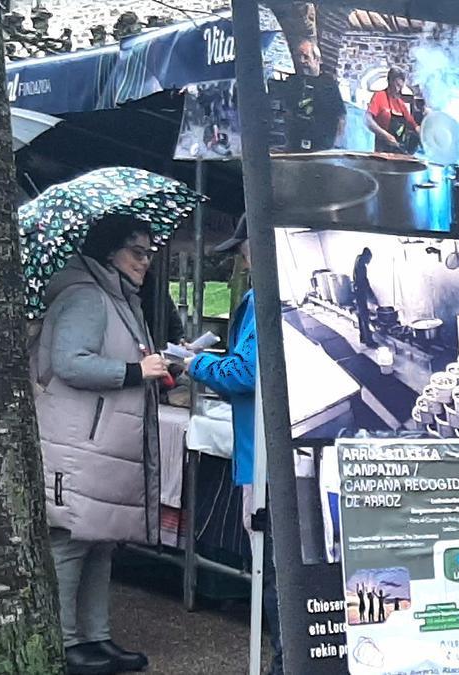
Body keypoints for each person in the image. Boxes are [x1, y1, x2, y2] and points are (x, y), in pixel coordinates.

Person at [33, 213, 165, 675]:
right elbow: (71, 363)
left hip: (97, 440)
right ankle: (66, 643)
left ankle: (95, 638)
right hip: (78, 440)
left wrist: (153, 366)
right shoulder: (88, 296)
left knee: (100, 540)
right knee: (70, 540)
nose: (145, 262)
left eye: (149, 253)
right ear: (110, 251)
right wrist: (135, 372)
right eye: (136, 252)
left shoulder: (118, 297)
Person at [186, 219, 282, 675]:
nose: (242, 260)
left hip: (264, 457)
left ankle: (284, 661)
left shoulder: (261, 299)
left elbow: (243, 375)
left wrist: (195, 362)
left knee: (276, 570)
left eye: (243, 250)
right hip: (289, 450)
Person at [277, 37, 346, 152]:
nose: (302, 61)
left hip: (321, 145)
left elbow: (340, 116)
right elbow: (288, 112)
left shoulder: (328, 85)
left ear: (317, 59)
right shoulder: (294, 83)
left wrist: (335, 145)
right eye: (299, 56)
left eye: (306, 57)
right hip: (296, 144)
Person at [365, 66, 418, 153]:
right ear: (390, 81)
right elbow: (367, 120)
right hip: (381, 151)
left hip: (398, 152)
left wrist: (424, 133)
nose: (398, 90)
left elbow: (413, 125)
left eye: (401, 87)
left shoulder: (400, 104)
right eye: (396, 85)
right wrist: (385, 135)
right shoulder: (379, 96)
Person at [353, 247, 378, 348]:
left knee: (360, 315)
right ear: (367, 256)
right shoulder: (362, 265)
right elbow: (364, 280)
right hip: (360, 291)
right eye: (369, 259)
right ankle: (369, 341)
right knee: (364, 316)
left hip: (356, 290)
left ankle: (362, 337)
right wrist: (371, 294)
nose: (369, 261)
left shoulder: (358, 259)